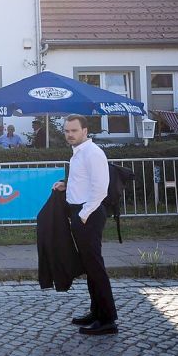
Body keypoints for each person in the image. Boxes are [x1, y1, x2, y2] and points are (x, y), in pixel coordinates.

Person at [52, 114, 118, 335]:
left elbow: (100, 188)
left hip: (88, 214)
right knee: (90, 267)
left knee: (95, 267)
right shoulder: (79, 153)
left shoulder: (93, 153)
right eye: (67, 131)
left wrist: (83, 214)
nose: (69, 134)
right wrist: (66, 184)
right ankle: (96, 311)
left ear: (85, 131)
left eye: (74, 130)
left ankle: (108, 319)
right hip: (81, 213)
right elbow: (84, 181)